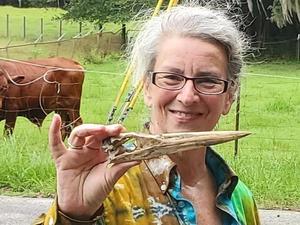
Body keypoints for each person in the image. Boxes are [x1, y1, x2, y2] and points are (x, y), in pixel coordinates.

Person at [35, 2, 260, 225]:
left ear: (229, 97)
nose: (187, 96)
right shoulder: (108, 184)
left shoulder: (239, 197)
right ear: (146, 88)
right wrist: (72, 215)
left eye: (208, 81)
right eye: (171, 77)